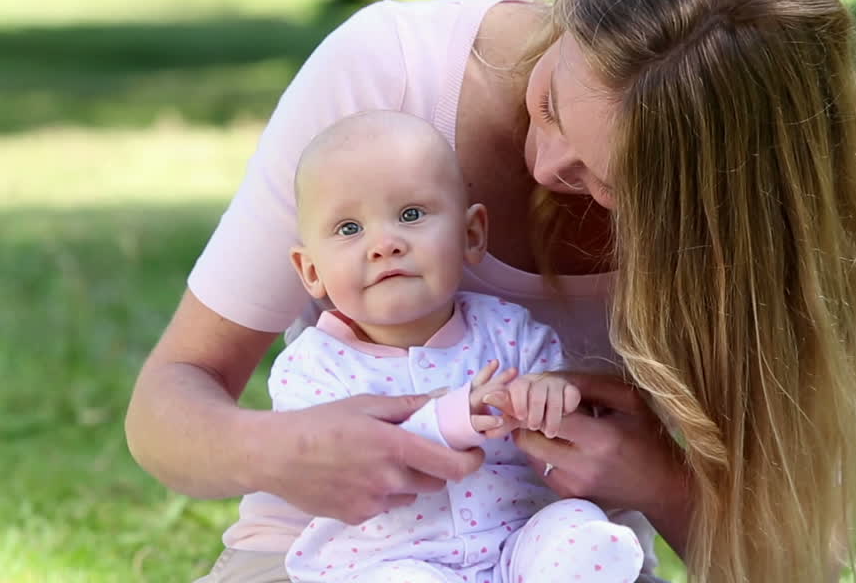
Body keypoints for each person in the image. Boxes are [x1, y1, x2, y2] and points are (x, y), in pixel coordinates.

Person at [126, 0, 856, 583]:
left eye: (607, 180)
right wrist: (280, 450)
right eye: (552, 104)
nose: (545, 164)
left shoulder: (746, 247)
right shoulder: (388, 76)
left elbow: (797, 563)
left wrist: (656, 483)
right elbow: (166, 403)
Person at [270, 110, 650, 583]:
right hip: (385, 561)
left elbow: (565, 434)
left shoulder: (508, 331)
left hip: (518, 544)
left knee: (578, 532)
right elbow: (341, 461)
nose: (384, 244)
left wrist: (548, 399)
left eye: (411, 215)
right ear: (311, 271)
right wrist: (454, 417)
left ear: (471, 235)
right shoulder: (310, 368)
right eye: (349, 228)